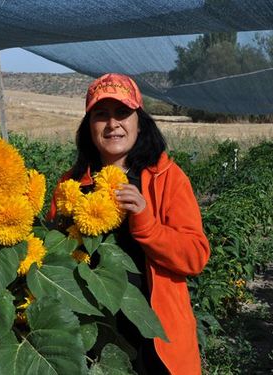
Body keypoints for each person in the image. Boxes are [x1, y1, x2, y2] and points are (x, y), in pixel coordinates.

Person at [49, 73, 210, 374]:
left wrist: (147, 224)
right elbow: (53, 257)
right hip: (91, 333)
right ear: (88, 126)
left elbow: (195, 256)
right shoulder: (70, 184)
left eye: (123, 113)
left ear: (139, 120)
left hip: (154, 337)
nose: (113, 124)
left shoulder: (167, 179)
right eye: (101, 115)